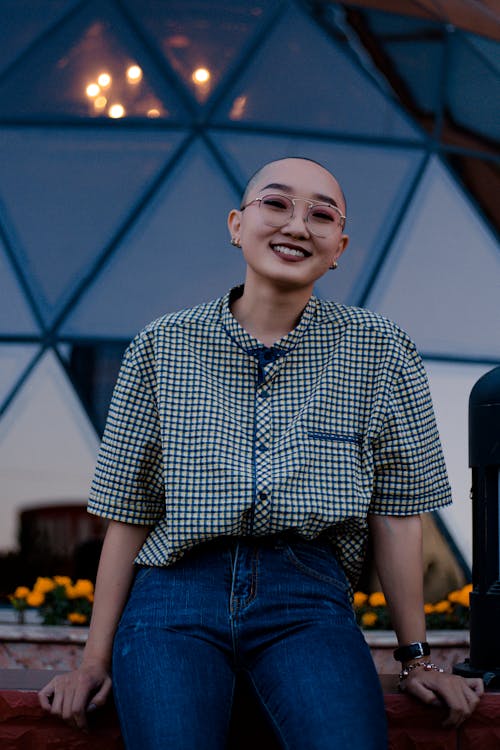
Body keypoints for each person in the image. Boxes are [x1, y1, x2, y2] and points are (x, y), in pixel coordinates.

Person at [39, 157, 483, 748]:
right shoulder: (162, 345)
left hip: (306, 593)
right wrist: (93, 661)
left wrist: (418, 658)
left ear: (339, 247)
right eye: (275, 204)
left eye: (320, 215)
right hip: (175, 592)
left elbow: (399, 517)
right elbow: (129, 513)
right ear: (235, 225)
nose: (297, 225)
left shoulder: (382, 351)